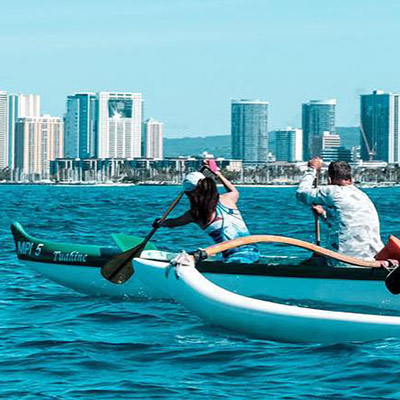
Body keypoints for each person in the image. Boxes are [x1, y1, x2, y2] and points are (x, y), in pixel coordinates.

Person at [154, 161, 260, 263]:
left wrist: (160, 222)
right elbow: (234, 191)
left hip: (236, 259)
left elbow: (173, 223)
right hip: (255, 254)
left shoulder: (194, 214)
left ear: (189, 194)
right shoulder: (228, 199)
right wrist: (218, 173)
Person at [296, 158, 385, 264]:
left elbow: (301, 193)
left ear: (329, 179)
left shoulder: (333, 191)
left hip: (343, 259)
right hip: (371, 258)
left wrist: (312, 170)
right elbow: (345, 223)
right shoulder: (362, 195)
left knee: (306, 264)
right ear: (350, 179)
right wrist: (323, 215)